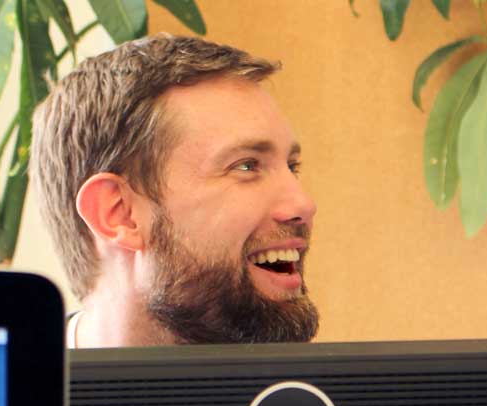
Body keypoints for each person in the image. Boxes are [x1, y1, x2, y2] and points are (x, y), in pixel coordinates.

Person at [30, 34, 319, 348]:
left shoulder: (329, 395)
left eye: (292, 166)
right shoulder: (7, 394)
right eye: (247, 166)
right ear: (119, 213)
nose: (302, 204)